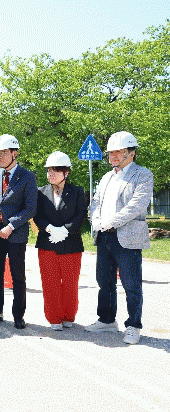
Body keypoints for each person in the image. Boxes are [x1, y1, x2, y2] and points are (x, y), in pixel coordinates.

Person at [86, 131, 153, 345]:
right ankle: (106, 320)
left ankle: (134, 325)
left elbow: (137, 205)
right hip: (104, 236)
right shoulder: (107, 177)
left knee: (131, 284)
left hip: (127, 238)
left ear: (131, 153)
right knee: (104, 281)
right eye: (110, 153)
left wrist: (112, 221)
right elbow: (96, 202)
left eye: (118, 152)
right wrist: (96, 219)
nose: (113, 157)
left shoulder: (143, 174)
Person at [0, 134, 37, 329]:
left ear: (15, 153)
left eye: (3, 152)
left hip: (16, 235)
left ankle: (18, 316)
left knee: (18, 277)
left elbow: (30, 208)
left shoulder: (28, 177)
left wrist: (11, 225)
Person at [33, 151, 87, 331]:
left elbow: (81, 214)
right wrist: (49, 228)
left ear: (66, 172)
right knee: (50, 282)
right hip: (47, 243)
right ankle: (54, 317)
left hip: (71, 244)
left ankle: (68, 315)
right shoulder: (40, 192)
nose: (51, 174)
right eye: (49, 170)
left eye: (55, 170)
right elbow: (37, 215)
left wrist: (65, 230)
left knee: (70, 282)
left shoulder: (77, 191)